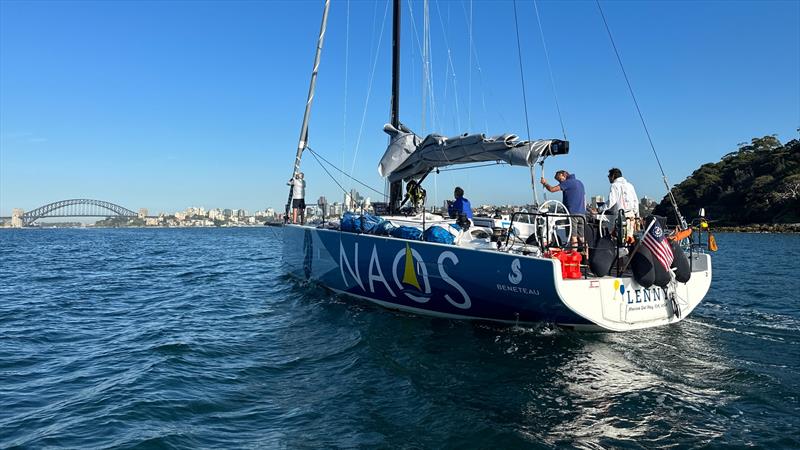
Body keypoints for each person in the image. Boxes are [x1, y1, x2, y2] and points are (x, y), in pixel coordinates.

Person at [540, 170, 586, 248]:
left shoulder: (567, 182)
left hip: (572, 214)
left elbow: (552, 189)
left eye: (559, 179)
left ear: (563, 174)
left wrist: (545, 183)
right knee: (582, 238)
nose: (560, 182)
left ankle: (573, 257)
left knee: (573, 238)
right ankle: (586, 256)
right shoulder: (580, 183)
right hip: (582, 214)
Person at [601, 168, 639, 241]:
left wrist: (600, 209)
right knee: (629, 239)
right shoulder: (630, 185)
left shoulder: (614, 185)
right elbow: (636, 201)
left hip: (620, 218)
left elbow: (611, 202)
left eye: (609, 176)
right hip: (631, 217)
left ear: (613, 176)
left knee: (619, 239)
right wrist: (635, 215)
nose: (608, 178)